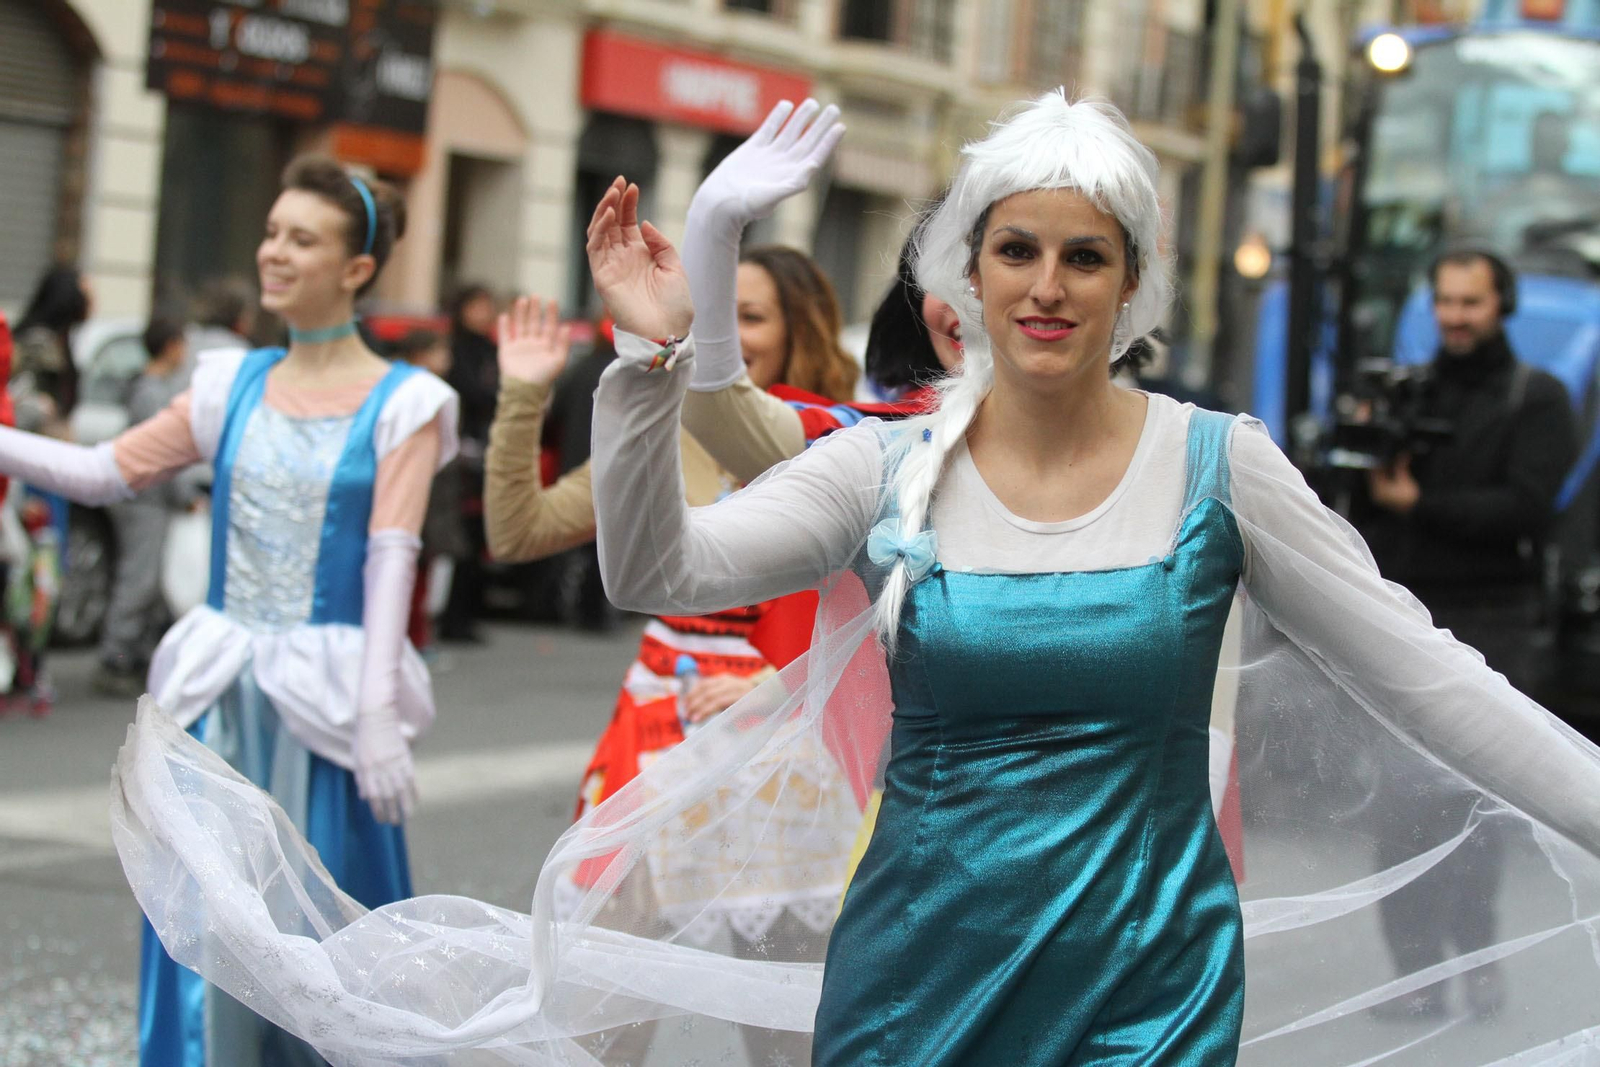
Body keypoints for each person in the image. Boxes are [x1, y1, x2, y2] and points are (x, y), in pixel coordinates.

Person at [110, 95, 1600, 1066]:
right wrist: (651, 347)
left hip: (1147, 982)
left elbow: (1433, 681)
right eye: (1016, 248)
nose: (1047, 285)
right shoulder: (888, 462)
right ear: (961, 277)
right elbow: (656, 563)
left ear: (1131, 282)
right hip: (913, 972)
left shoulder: (1223, 463)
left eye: (1088, 255)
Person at [0, 155, 457, 1065]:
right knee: (207, 921)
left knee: (323, 933)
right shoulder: (228, 383)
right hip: (217, 696)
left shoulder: (408, 401)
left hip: (321, 707)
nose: (274, 252)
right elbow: (101, 471)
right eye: (272, 232)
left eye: (303, 238)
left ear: (358, 269)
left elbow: (390, 554)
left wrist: (374, 713)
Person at [1360, 248, 1577, 1017]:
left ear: (1501, 306)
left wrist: (1419, 503)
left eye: (1471, 303)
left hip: (1493, 621)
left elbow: (1526, 507)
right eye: (1445, 301)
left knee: (1474, 805)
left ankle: (1480, 957)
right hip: (1405, 619)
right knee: (1398, 807)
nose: (1455, 317)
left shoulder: (1538, 398)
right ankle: (1417, 972)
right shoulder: (1405, 393)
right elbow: (1356, 503)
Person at [92, 314, 200, 698]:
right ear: (171, 345)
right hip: (146, 502)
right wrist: (186, 495)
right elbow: (164, 455)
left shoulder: (151, 388)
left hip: (148, 499)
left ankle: (133, 655)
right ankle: (115, 659)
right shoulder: (152, 393)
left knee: (148, 580)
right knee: (138, 580)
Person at [391, 328, 466, 655]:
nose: (446, 361)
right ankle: (411, 639)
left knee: (413, 573)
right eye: (440, 352)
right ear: (421, 355)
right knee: (415, 575)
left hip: (417, 495)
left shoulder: (393, 386)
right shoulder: (430, 393)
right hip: (425, 496)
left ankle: (411, 637)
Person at [438, 283, 499, 643]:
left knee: (477, 539)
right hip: (461, 457)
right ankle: (452, 617)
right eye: (477, 306)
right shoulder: (458, 351)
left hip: (485, 454)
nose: (483, 313)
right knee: (458, 540)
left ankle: (469, 613)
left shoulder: (491, 350)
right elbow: (473, 392)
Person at [12, 265, 92, 429]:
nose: (92, 301)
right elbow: (21, 398)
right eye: (86, 293)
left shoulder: (61, 340)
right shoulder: (38, 342)